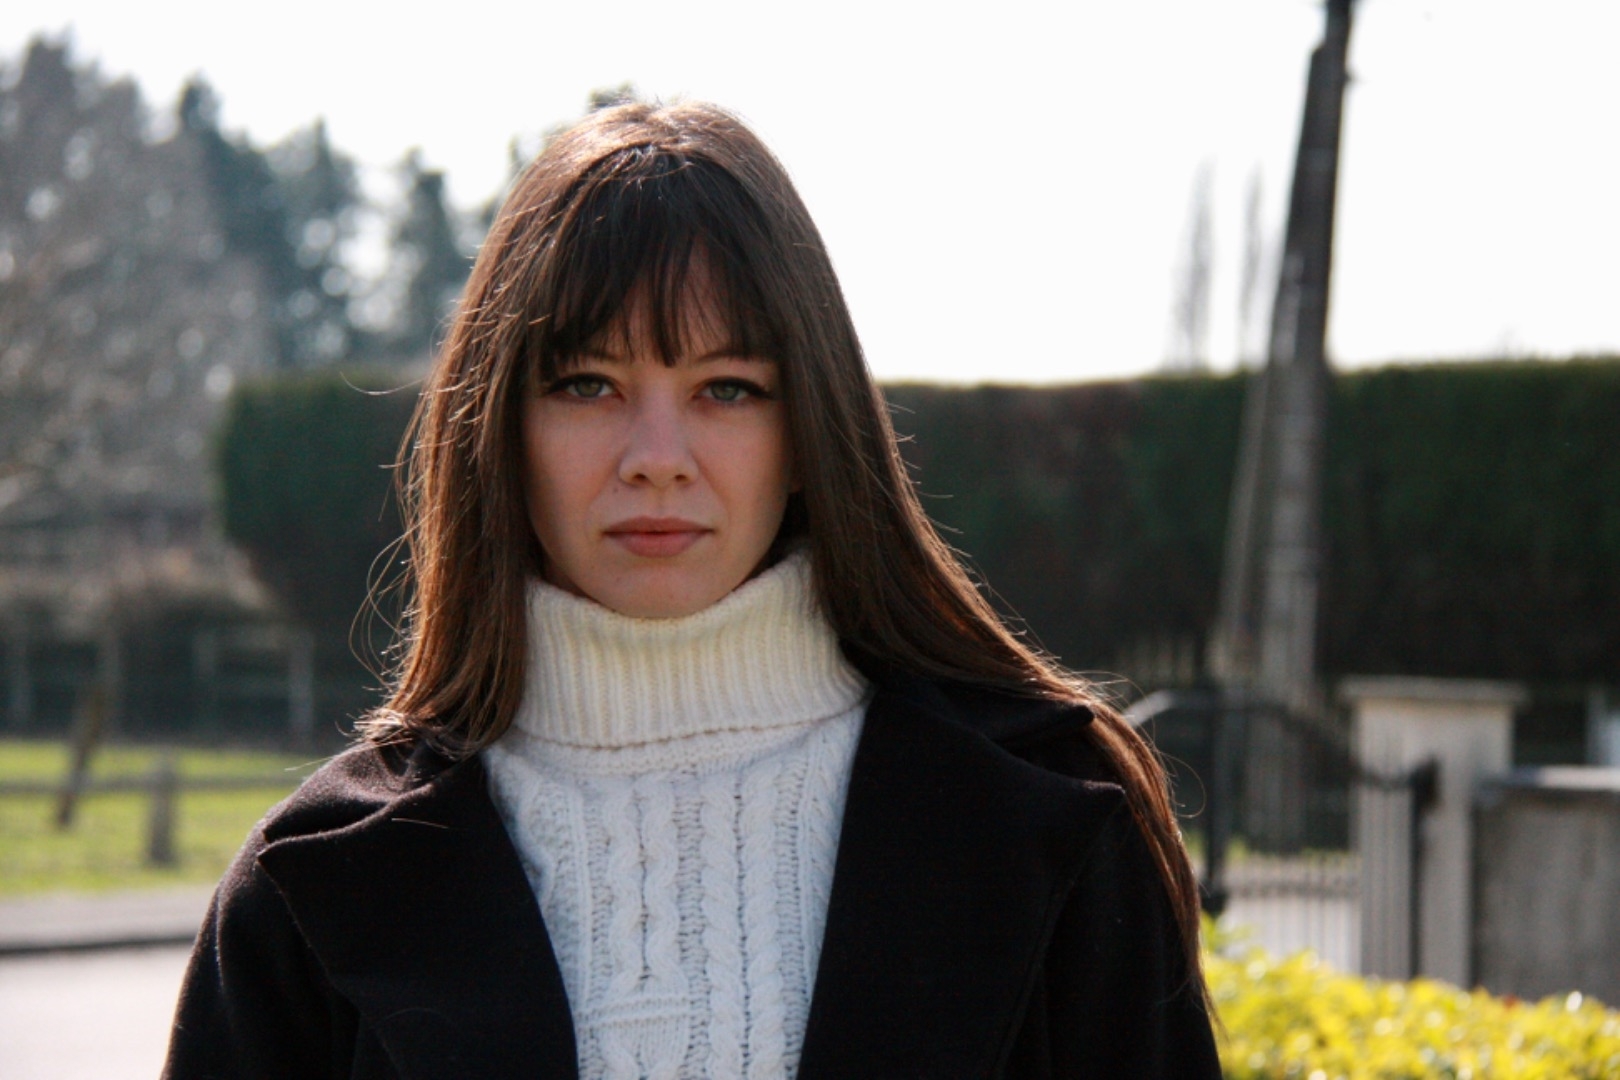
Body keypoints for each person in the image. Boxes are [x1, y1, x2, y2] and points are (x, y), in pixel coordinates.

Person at [165, 101, 1220, 1079]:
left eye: (728, 388)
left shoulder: (1051, 818)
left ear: (808, 431)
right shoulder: (309, 888)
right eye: (588, 384)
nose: (658, 458)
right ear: (500, 431)